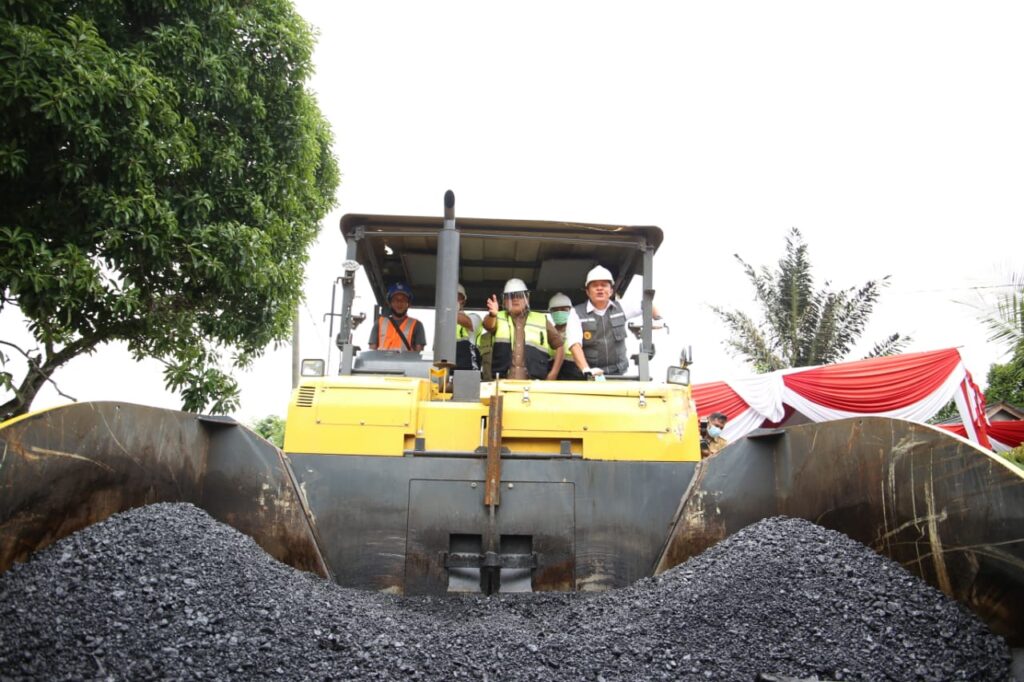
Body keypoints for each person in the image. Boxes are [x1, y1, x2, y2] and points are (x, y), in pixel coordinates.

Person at [565, 265, 661, 378]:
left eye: (604, 285)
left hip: (618, 374)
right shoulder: (576, 313)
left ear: (611, 291)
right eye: (595, 285)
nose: (600, 288)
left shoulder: (621, 308)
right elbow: (575, 345)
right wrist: (586, 370)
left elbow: (646, 304)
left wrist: (658, 318)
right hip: (589, 376)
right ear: (587, 292)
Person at [482, 278, 563, 380]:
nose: (515, 299)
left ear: (527, 298)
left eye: (520, 295)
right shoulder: (497, 317)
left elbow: (560, 346)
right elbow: (488, 325)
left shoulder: (541, 319)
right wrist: (493, 314)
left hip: (534, 384)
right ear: (504, 301)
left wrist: (553, 373)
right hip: (503, 383)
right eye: (511, 296)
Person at [368, 282, 426, 351]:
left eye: (403, 300)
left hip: (405, 362)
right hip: (382, 362)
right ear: (390, 303)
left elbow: (418, 355)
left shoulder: (417, 325)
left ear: (408, 304)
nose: (399, 303)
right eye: (396, 300)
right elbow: (372, 351)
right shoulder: (379, 323)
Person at [547, 292, 584, 380]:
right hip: (551, 373)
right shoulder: (546, 332)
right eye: (555, 310)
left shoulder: (579, 330)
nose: (559, 312)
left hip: (573, 374)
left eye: (564, 309)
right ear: (550, 312)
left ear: (570, 310)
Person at [455, 283, 481, 370]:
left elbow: (469, 323)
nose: (454, 300)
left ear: (464, 301)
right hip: (447, 369)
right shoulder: (442, 326)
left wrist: (449, 309)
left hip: (469, 369)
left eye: (458, 297)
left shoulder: (474, 317)